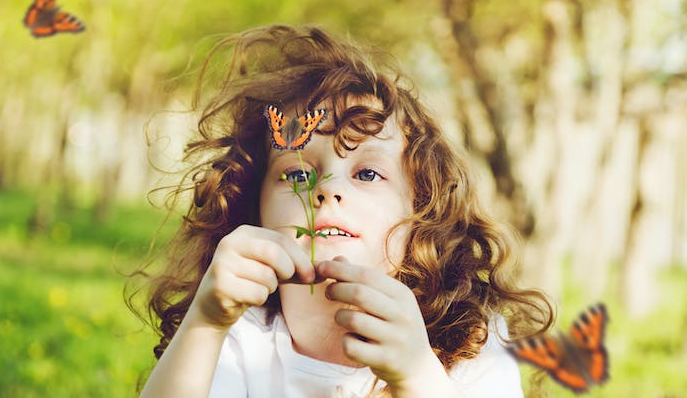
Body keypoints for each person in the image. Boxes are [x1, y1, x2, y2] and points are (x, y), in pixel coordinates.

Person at [135, 24, 553, 397]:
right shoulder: (238, 339)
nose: (327, 189)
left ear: (421, 209)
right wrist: (205, 324)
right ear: (254, 210)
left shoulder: (469, 344)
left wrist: (418, 377)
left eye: (368, 174)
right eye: (297, 176)